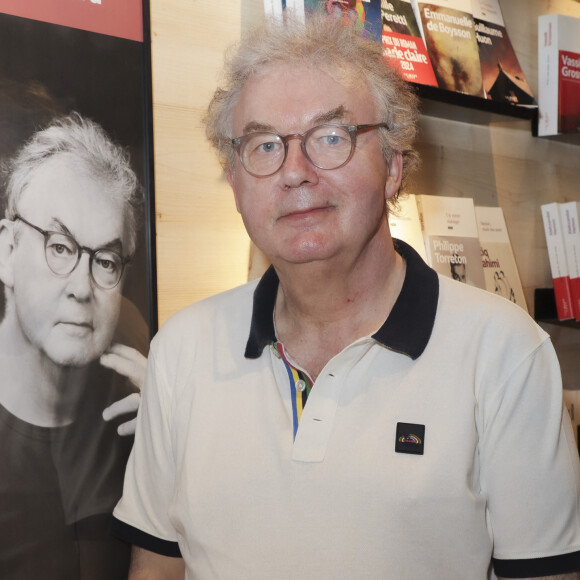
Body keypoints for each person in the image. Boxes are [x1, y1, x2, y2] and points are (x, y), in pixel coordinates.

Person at [112, 13, 580, 580]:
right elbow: (157, 567)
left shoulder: (506, 353)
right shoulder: (181, 349)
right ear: (234, 183)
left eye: (330, 138)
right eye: (264, 146)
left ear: (392, 166)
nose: (295, 173)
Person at [0, 112, 148, 579]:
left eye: (105, 261)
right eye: (60, 247)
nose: (83, 288)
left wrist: (171, 439)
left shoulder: (136, 409)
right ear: (6, 252)